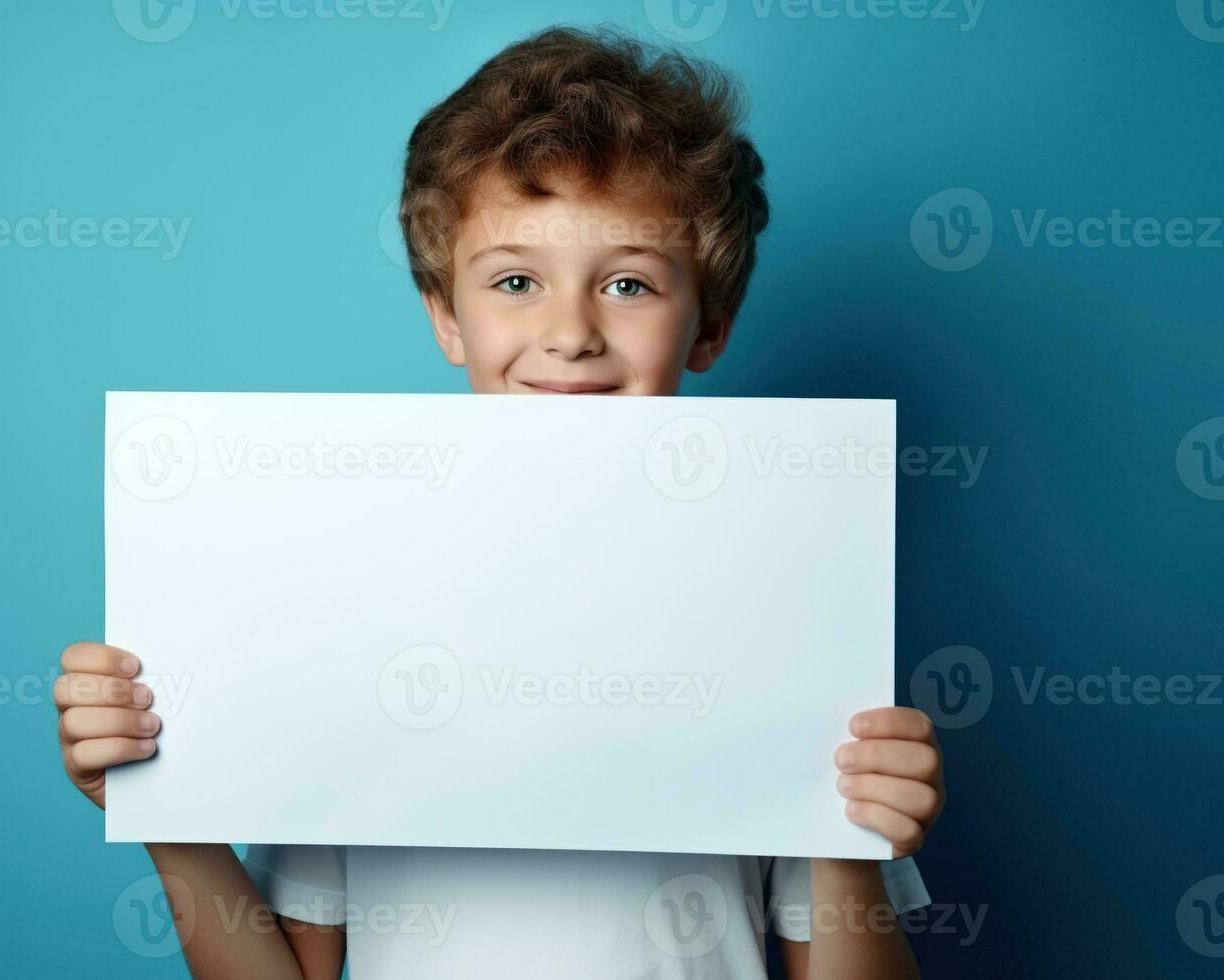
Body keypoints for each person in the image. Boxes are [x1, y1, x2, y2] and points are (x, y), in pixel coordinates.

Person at [51, 25, 945, 979]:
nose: (569, 334)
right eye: (516, 281)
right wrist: (164, 812)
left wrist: (851, 840)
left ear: (710, 324)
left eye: (630, 283)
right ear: (447, 315)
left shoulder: (782, 611)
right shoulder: (357, 612)